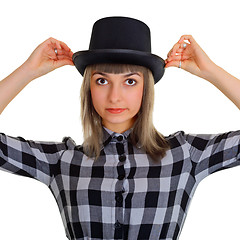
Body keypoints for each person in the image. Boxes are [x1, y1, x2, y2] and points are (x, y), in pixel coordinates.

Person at [0, 16, 239, 240]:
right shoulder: (63, 160)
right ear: (88, 88)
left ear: (145, 88)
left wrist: (211, 71)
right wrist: (27, 72)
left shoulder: (184, 154)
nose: (115, 97)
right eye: (102, 81)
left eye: (130, 81)